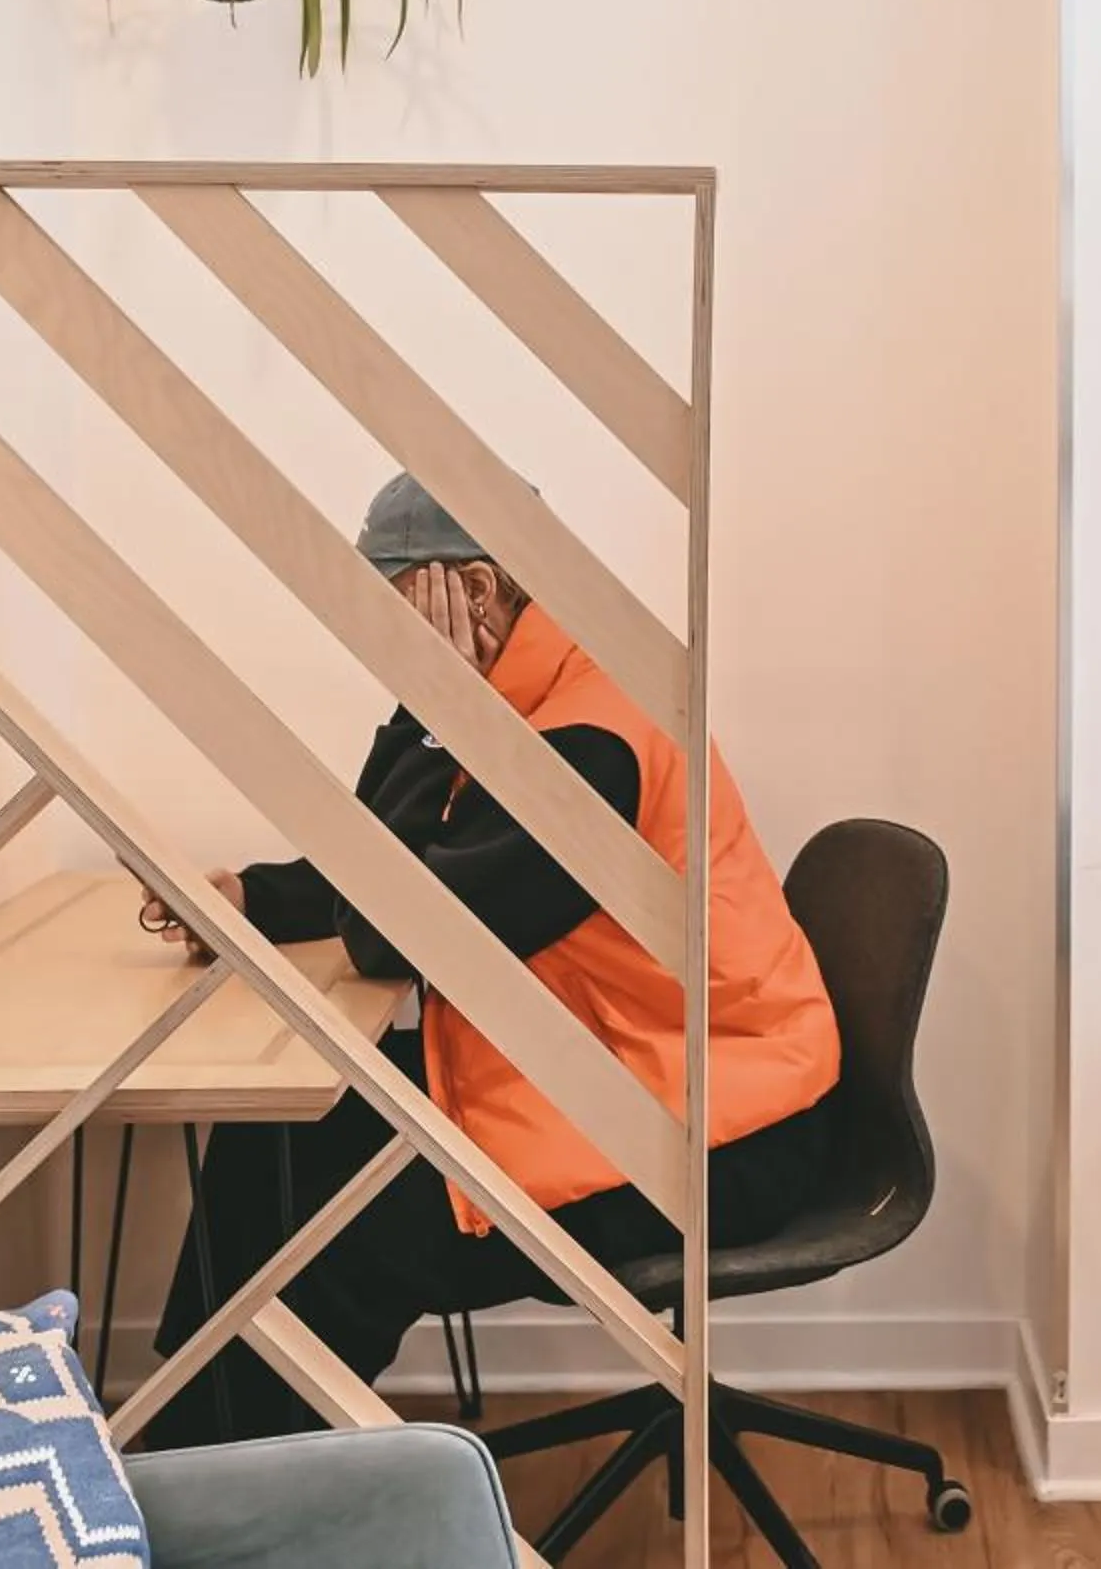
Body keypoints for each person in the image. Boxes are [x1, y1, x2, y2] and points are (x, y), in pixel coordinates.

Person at [139, 472, 842, 1447]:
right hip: (629, 1070)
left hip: (720, 1126)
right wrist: (258, 893)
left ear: (472, 592)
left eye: (395, 620)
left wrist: (431, 706)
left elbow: (394, 925)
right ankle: (177, 1435)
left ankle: (249, 1506)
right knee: (280, 1132)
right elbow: (402, 864)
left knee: (347, 1246)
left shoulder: (594, 741)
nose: (382, 647)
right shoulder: (543, 695)